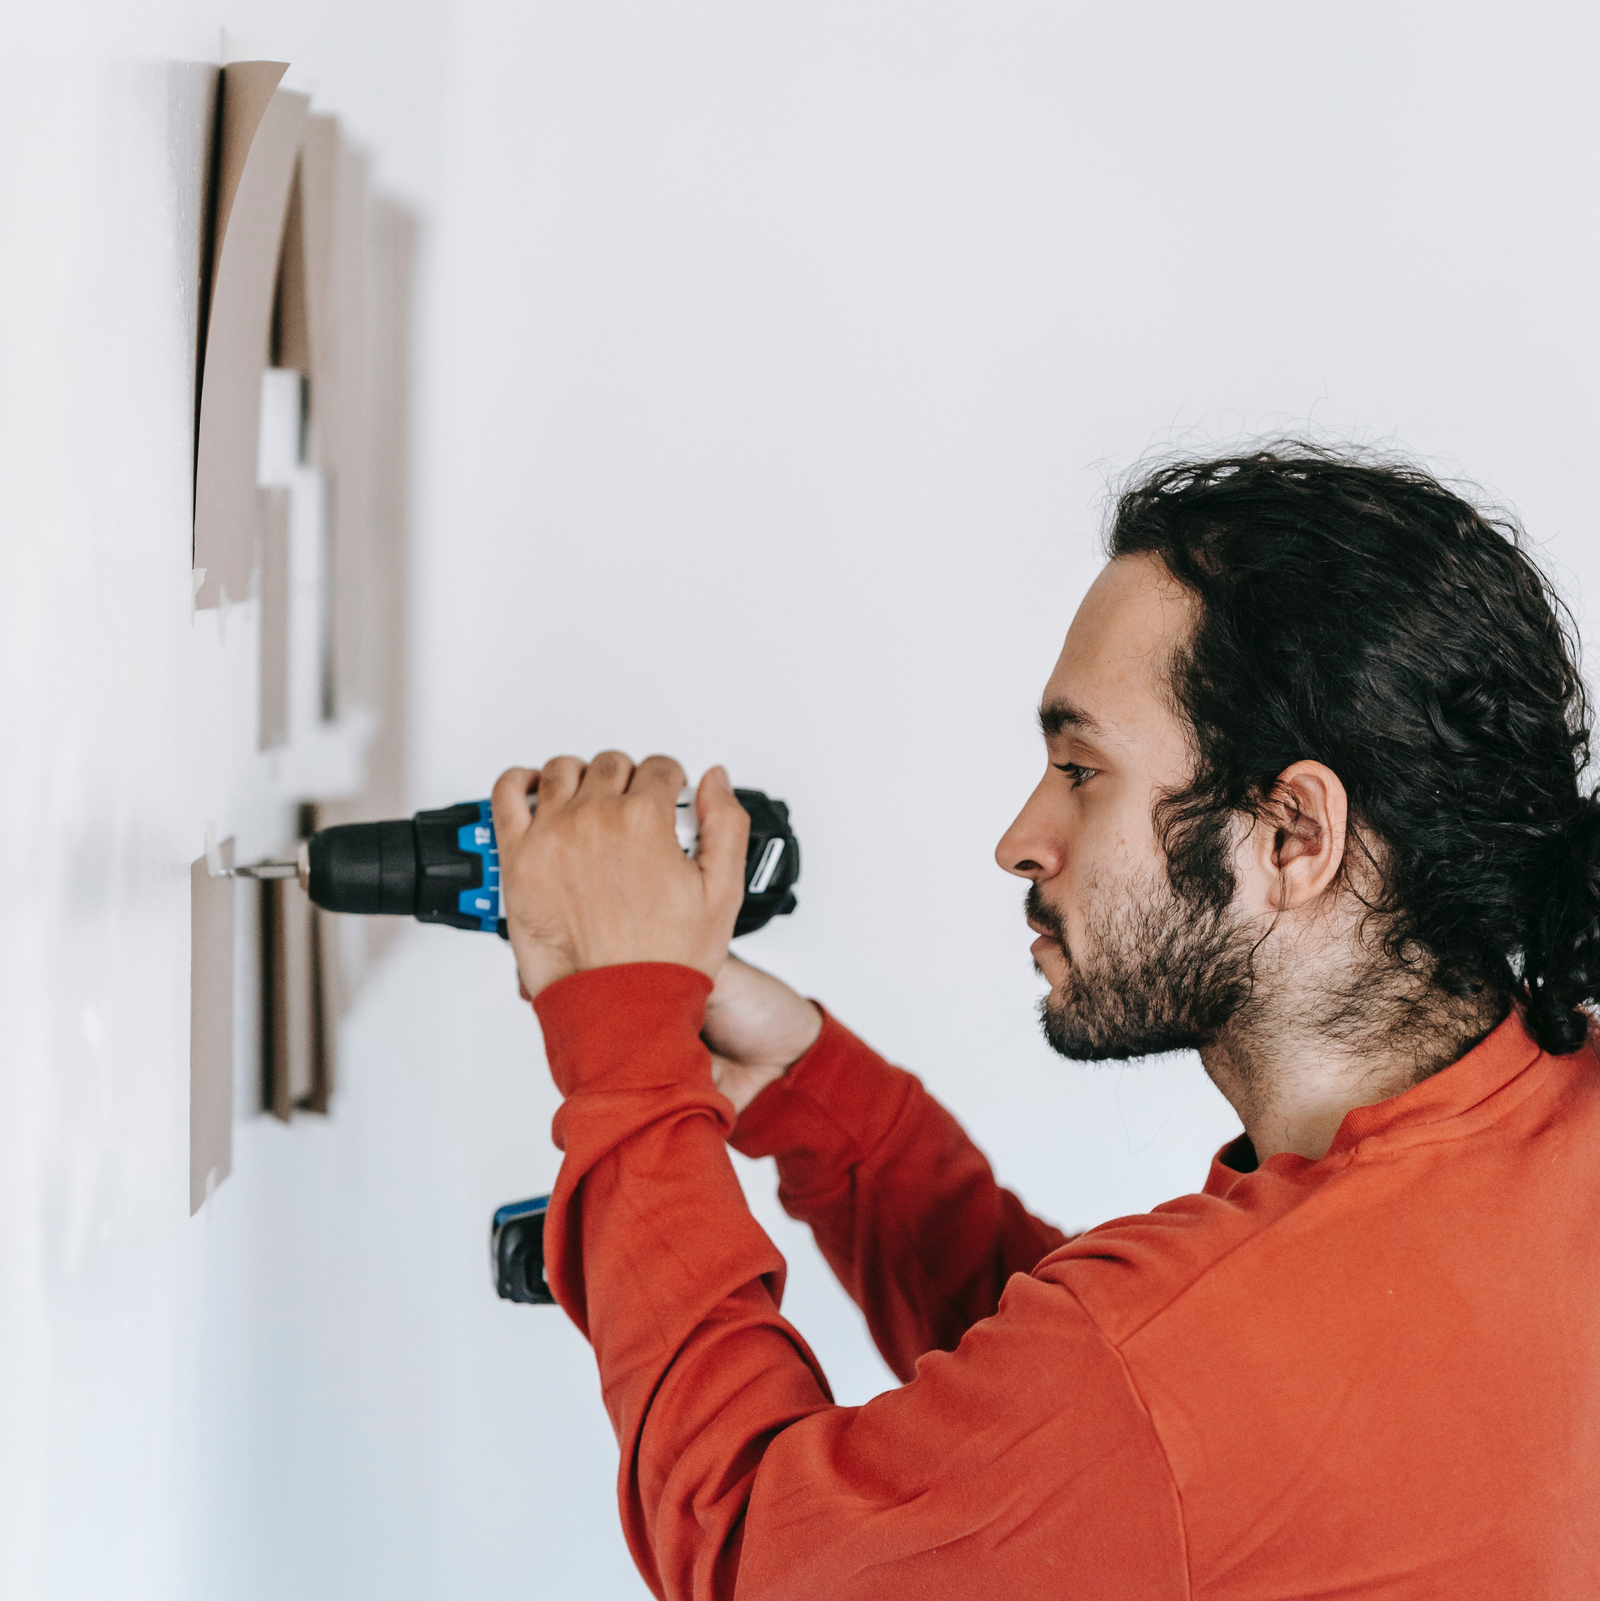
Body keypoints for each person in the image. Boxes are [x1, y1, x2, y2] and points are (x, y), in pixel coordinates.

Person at [490, 444, 1600, 1600]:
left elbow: (750, 1546)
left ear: (1292, 834)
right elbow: (1100, 1460)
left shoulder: (1175, 1363)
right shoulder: (1550, 1128)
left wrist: (622, 1034)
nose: (1019, 840)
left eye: (1080, 769)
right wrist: (811, 1092)